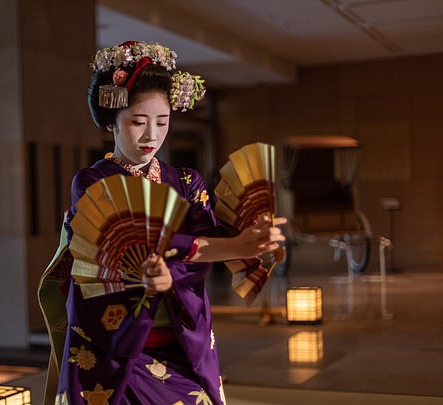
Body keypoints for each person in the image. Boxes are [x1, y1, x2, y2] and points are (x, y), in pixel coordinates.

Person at [40, 41, 286, 405]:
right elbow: (128, 245)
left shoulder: (186, 181)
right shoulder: (93, 182)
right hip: (117, 344)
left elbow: (206, 240)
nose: (151, 136)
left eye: (163, 121)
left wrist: (248, 236)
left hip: (180, 340)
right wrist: (232, 247)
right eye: (138, 122)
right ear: (111, 119)